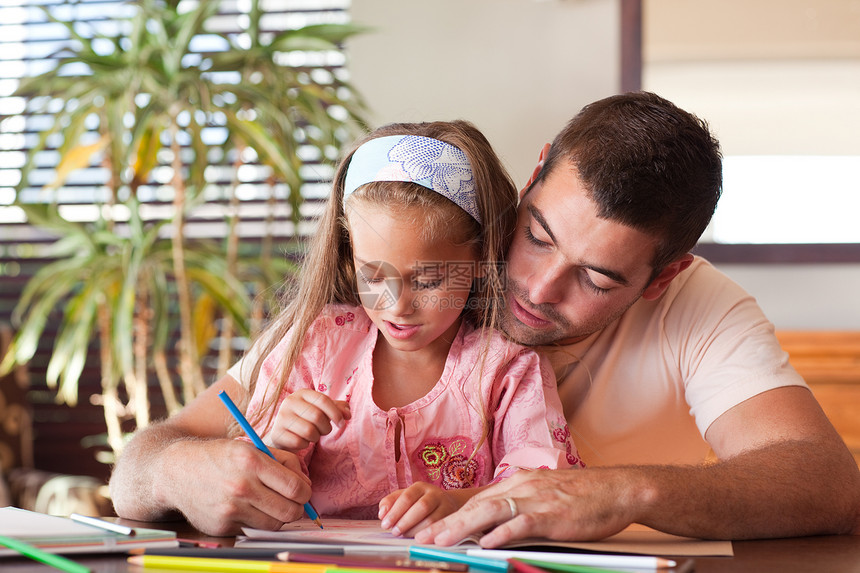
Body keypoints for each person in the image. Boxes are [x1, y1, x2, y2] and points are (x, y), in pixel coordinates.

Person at [412, 91, 860, 546]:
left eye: (596, 280)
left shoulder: (700, 305)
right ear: (535, 175)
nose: (540, 288)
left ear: (663, 276)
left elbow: (831, 484)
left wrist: (623, 492)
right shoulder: (440, 246)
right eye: (538, 237)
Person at [109, 120, 581, 536]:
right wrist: (277, 448)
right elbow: (244, 488)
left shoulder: (509, 368)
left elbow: (542, 488)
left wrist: (460, 504)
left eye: (430, 279)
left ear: (481, 260)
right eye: (373, 276)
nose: (396, 306)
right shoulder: (315, 344)